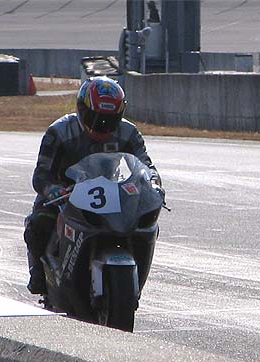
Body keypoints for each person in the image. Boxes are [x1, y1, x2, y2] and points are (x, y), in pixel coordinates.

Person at [24, 76, 163, 294]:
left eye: (110, 119)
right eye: (95, 118)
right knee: (38, 223)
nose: (102, 125)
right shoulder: (59, 132)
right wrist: (54, 190)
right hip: (64, 196)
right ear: (81, 109)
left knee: (145, 223)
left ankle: (135, 276)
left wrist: (153, 184)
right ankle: (40, 275)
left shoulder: (129, 132)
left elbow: (145, 165)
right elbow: (41, 175)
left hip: (112, 194)